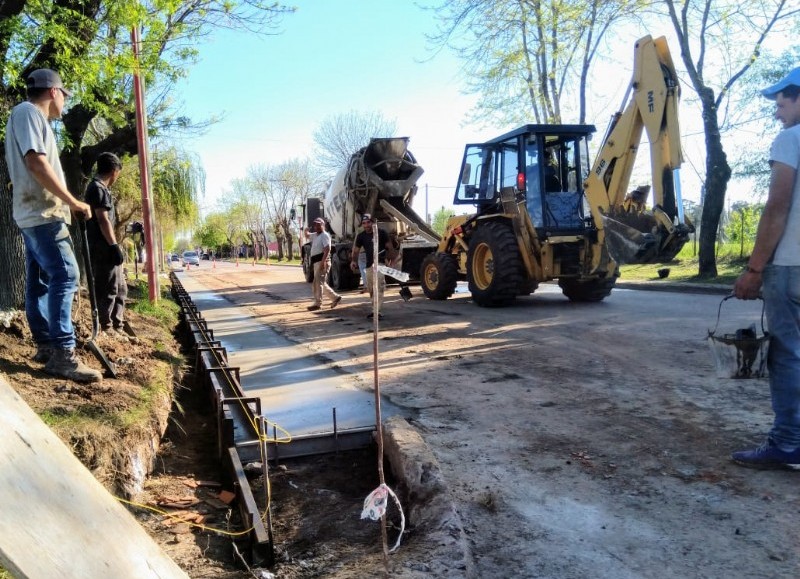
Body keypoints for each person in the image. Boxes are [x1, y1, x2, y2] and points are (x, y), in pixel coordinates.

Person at [4, 68, 102, 383]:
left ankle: (46, 345)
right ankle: (63, 353)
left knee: (42, 281)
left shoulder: (27, 116)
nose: (65, 104)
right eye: (65, 96)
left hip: (34, 213)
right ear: (54, 92)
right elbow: (35, 161)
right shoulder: (29, 113)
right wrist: (72, 201)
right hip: (43, 214)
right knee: (66, 274)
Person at [731, 67, 800, 469]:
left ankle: (790, 443)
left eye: (782, 103)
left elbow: (777, 208)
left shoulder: (790, 140)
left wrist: (755, 269)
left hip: (791, 267)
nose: (778, 113)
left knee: (788, 355)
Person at [84, 152, 129, 340]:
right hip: (102, 248)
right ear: (113, 171)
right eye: (118, 172)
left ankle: (118, 325)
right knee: (108, 288)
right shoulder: (97, 189)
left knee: (121, 287)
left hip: (107, 246)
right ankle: (107, 326)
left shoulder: (102, 188)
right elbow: (103, 220)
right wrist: (113, 245)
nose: (117, 176)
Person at [350, 214, 396, 319]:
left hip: (380, 264)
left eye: (368, 222)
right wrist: (353, 261)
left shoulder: (382, 233)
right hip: (369, 265)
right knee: (371, 289)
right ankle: (374, 309)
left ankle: (377, 311)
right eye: (364, 223)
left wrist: (392, 260)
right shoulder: (361, 236)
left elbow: (390, 247)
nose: (366, 225)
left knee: (379, 287)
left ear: (373, 222)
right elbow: (356, 250)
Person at [307, 217, 342, 311]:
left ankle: (318, 303)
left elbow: (327, 249)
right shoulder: (315, 235)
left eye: (319, 225)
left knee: (317, 283)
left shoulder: (325, 235)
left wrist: (323, 262)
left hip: (322, 261)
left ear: (323, 225)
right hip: (316, 262)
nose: (317, 226)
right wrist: (305, 230)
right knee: (320, 282)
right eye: (315, 225)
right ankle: (335, 297)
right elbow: (307, 235)